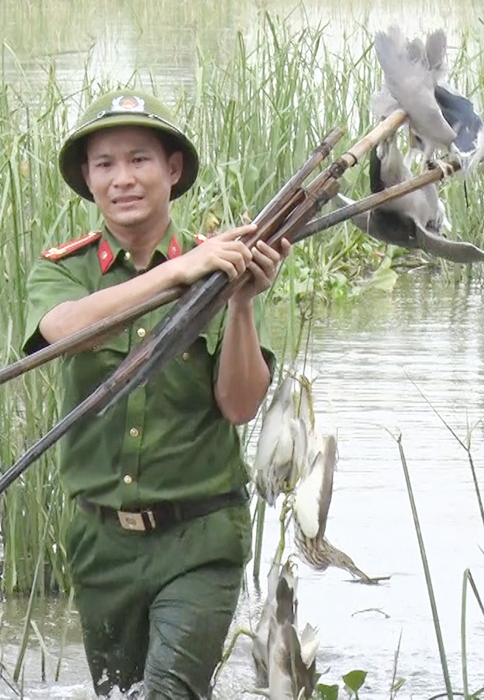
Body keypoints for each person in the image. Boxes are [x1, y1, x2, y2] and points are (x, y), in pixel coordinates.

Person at [22, 88, 289, 699]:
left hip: (199, 539)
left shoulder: (220, 269)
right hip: (101, 548)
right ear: (88, 179)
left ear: (172, 170)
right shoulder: (64, 270)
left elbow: (240, 407)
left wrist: (242, 304)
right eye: (105, 164)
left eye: (139, 160)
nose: (123, 179)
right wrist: (177, 273)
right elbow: (65, 331)